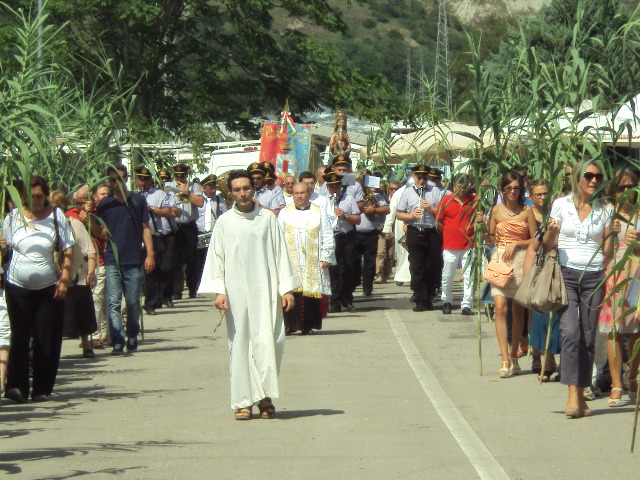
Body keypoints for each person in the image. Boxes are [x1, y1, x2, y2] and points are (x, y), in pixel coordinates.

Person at [202, 169, 300, 420]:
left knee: (269, 342)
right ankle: (242, 401)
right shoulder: (224, 222)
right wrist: (219, 292)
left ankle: (264, 396)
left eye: (246, 188)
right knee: (241, 344)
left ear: (253, 188)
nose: (243, 193)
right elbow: (217, 259)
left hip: (266, 291)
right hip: (237, 294)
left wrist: (286, 288)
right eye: (237, 190)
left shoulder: (267, 219)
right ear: (231, 192)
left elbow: (280, 254)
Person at [543, 159, 614, 418]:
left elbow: (607, 252)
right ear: (578, 178)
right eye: (588, 175)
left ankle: (582, 396)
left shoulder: (606, 208)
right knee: (571, 333)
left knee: (588, 335)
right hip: (566, 275)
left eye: (598, 176)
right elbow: (548, 245)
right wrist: (551, 232)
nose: (594, 180)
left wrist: (613, 235)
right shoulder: (561, 205)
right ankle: (572, 394)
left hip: (594, 276)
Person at [2, 176, 75, 403]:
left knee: (45, 339)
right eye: (31, 197)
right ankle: (16, 387)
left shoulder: (55, 216)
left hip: (47, 289)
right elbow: (4, 251)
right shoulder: (13, 218)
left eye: (39, 196)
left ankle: (41, 388)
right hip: (17, 286)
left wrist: (64, 279)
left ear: (46, 196)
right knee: (20, 338)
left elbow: (68, 248)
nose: (35, 201)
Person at [91, 163, 155, 355]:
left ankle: (132, 333)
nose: (115, 182)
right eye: (111, 179)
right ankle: (117, 340)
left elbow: (145, 228)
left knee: (134, 302)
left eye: (119, 178)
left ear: (126, 179)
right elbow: (101, 234)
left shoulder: (137, 201)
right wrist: (91, 219)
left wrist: (150, 254)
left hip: (134, 258)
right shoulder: (105, 204)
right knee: (113, 302)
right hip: (112, 259)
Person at [485, 171, 536, 378]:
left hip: (520, 259)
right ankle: (504, 357)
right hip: (500, 260)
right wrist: (482, 225)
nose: (513, 191)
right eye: (509, 188)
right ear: (502, 190)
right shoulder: (496, 211)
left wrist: (517, 243)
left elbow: (535, 240)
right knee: (499, 307)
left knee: (518, 310)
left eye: (516, 188)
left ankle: (514, 355)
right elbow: (489, 241)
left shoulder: (527, 211)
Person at [599, 169, 640, 407]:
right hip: (615, 272)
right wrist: (613, 235)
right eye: (621, 188)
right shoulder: (608, 214)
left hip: (636, 273)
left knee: (635, 329)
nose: (626, 192)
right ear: (614, 190)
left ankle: (632, 376)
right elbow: (605, 251)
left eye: (630, 187)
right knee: (613, 329)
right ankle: (616, 383)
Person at [278, 182, 335, 335]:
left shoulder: (319, 212)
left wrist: (326, 256)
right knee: (291, 289)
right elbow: (278, 236)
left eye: (302, 193)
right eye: (296, 193)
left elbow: (327, 234)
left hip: (313, 259)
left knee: (311, 293)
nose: (299, 196)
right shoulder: (284, 213)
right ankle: (290, 324)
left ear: (309, 193)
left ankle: (307, 326)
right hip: (291, 258)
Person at [396, 164, 445, 311]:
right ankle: (420, 298)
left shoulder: (436, 191)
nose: (422, 180)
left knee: (432, 265)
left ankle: (430, 294)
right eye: (419, 177)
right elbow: (399, 214)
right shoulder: (407, 192)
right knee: (417, 265)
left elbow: (442, 212)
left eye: (425, 177)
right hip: (415, 230)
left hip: (432, 231)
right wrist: (411, 216)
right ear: (413, 177)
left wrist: (431, 209)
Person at [524, 179, 560, 380]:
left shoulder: (558, 212)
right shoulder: (531, 214)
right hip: (543, 269)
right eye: (538, 194)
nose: (543, 198)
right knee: (540, 314)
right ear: (531, 197)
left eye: (546, 194)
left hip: (562, 267)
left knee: (560, 317)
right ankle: (543, 358)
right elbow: (534, 245)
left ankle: (559, 360)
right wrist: (529, 276)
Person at [135, 166, 178, 315]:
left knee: (167, 267)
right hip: (148, 237)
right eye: (140, 179)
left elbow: (169, 211)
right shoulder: (134, 196)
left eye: (145, 179)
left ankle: (164, 295)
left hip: (164, 235)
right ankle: (150, 304)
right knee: (151, 271)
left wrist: (151, 209)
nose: (142, 182)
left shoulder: (159, 194)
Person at [319, 172, 361, 312]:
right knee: (333, 270)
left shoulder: (348, 199)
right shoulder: (322, 200)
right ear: (327, 187)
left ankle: (347, 299)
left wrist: (345, 215)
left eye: (337, 186)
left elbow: (357, 220)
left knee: (348, 268)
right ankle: (335, 301)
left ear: (341, 186)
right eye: (331, 186)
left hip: (346, 235)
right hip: (331, 236)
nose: (334, 189)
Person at [436, 175, 477, 315]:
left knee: (469, 275)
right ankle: (447, 300)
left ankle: (466, 304)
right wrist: (449, 232)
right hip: (450, 245)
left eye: (465, 187)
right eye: (459, 187)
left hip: (469, 244)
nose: (462, 190)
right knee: (448, 274)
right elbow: (439, 221)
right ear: (454, 187)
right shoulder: (446, 201)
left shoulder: (474, 200)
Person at [167, 164, 205, 299]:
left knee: (192, 259)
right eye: (177, 176)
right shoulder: (168, 186)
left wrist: (187, 191)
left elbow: (200, 203)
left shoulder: (194, 187)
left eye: (182, 176)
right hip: (175, 227)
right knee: (176, 260)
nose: (180, 179)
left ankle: (192, 288)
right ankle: (177, 291)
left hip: (189, 226)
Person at [353, 179, 389, 296]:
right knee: (354, 261)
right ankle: (354, 283)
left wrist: (374, 209)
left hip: (371, 233)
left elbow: (386, 209)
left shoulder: (376, 196)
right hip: (355, 233)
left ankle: (367, 288)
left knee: (370, 262)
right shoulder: (351, 196)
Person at [195, 174, 227, 293]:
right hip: (199, 232)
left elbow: (223, 215)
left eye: (214, 187)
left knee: (211, 259)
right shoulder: (199, 199)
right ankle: (197, 283)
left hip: (212, 234)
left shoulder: (219, 199)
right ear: (204, 188)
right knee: (198, 260)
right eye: (210, 187)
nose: (213, 190)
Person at [376, 180, 399, 284]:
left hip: (393, 230)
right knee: (380, 253)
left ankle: (386, 273)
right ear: (388, 189)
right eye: (391, 189)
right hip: (381, 230)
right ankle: (379, 274)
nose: (393, 191)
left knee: (390, 255)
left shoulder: (400, 199)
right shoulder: (383, 199)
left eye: (396, 189)